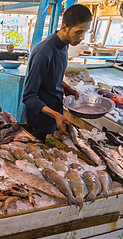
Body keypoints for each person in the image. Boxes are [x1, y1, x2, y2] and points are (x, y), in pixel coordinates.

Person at [22, 4, 91, 141]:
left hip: (55, 114)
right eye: (78, 32)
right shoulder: (43, 52)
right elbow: (29, 96)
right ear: (64, 27)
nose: (82, 37)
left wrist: (67, 88)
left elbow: (51, 76)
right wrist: (55, 115)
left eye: (85, 32)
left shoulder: (64, 45)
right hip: (41, 121)